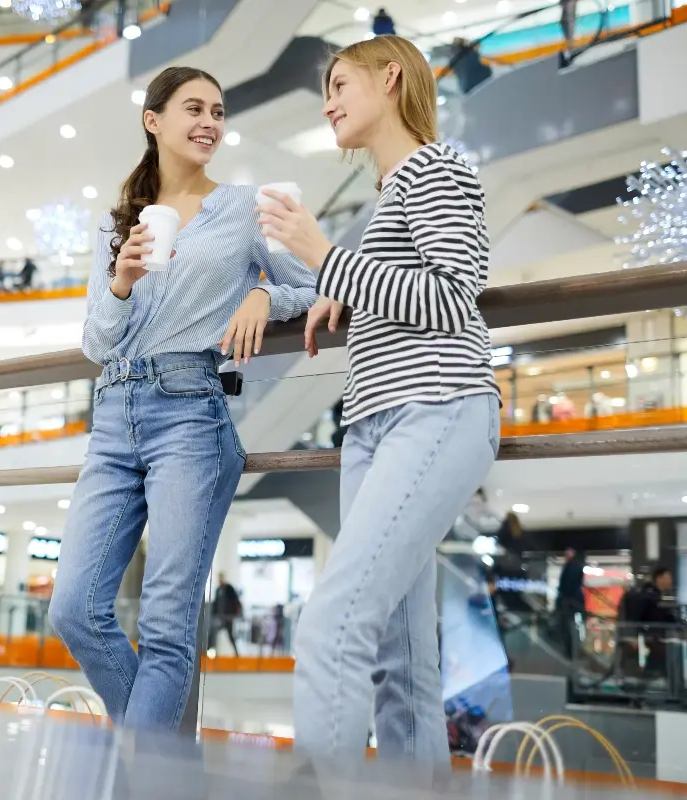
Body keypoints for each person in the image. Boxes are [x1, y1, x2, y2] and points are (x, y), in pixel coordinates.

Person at [255, 35, 501, 768]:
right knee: (401, 656)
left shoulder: (437, 166)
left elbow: (455, 299)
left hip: (436, 405)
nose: (327, 101)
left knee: (332, 625)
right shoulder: (391, 192)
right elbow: (394, 283)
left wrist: (326, 255)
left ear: (390, 77)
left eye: (339, 84)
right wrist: (327, 284)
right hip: (374, 425)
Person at [48, 65, 317, 731]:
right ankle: (165, 766)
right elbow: (96, 343)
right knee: (74, 610)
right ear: (154, 120)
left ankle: (145, 774)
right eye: (193, 108)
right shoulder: (119, 222)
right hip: (113, 417)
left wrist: (263, 293)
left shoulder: (244, 208)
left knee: (168, 622)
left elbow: (319, 284)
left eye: (218, 112)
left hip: (191, 414)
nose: (209, 122)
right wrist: (120, 280)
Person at [555, 547, 586, 657]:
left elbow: (568, 585)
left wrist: (564, 597)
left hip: (570, 602)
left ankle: (572, 651)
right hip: (573, 602)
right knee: (572, 626)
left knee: (570, 627)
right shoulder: (575, 566)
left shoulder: (573, 567)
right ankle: (573, 650)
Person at [209, 572, 242, 657]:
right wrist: (214, 613)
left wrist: (234, 614)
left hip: (228, 617)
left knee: (230, 636)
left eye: (222, 578)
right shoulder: (218, 590)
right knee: (213, 633)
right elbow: (215, 603)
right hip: (220, 617)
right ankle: (212, 652)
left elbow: (235, 601)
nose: (220, 580)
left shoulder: (229, 588)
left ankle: (236, 654)